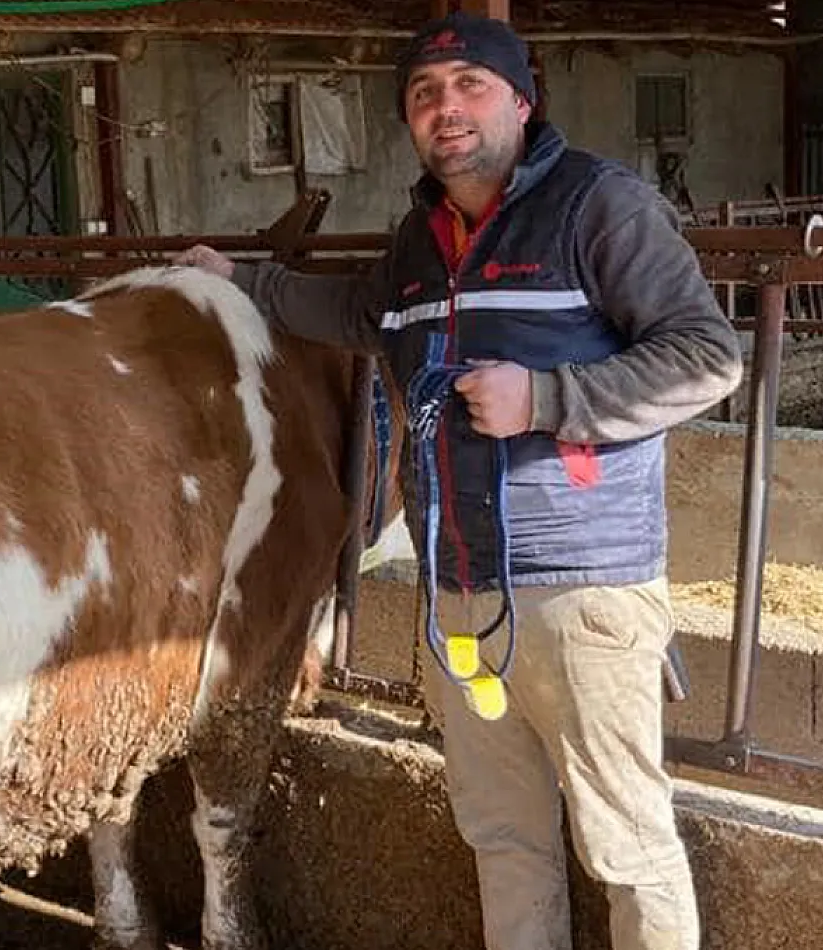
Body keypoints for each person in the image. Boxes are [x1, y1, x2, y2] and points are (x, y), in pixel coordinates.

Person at [174, 10, 742, 950]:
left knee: (627, 843)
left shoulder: (599, 206)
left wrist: (550, 396)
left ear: (522, 100)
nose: (448, 108)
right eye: (425, 94)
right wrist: (240, 279)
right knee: (503, 837)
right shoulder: (418, 240)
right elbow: (355, 312)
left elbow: (706, 357)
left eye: (471, 86)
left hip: (583, 588)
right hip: (460, 595)